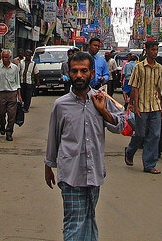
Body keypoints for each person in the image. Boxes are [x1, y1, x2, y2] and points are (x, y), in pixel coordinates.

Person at [45, 51, 125, 241]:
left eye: (84, 71)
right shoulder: (61, 105)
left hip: (94, 171)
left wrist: (103, 110)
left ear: (92, 73)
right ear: (69, 73)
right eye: (75, 71)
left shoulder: (101, 99)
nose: (79, 75)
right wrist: (48, 167)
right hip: (70, 173)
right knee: (74, 222)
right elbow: (53, 138)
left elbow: (120, 126)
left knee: (89, 218)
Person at [124, 40, 162, 174]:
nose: (155, 52)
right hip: (142, 106)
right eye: (152, 50)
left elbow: (158, 87)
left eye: (156, 50)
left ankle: (149, 165)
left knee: (155, 135)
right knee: (140, 134)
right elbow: (134, 87)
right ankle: (130, 151)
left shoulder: (159, 68)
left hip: (155, 106)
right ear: (146, 50)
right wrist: (135, 106)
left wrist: (161, 106)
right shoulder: (139, 67)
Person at [0, 49, 22, 141]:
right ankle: (2, 124)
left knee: (12, 115)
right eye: (3, 57)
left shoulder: (15, 68)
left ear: (10, 58)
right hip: (1, 93)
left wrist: (19, 95)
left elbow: (17, 82)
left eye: (6, 57)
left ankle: (9, 132)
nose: (4, 59)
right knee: (0, 113)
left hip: (12, 93)